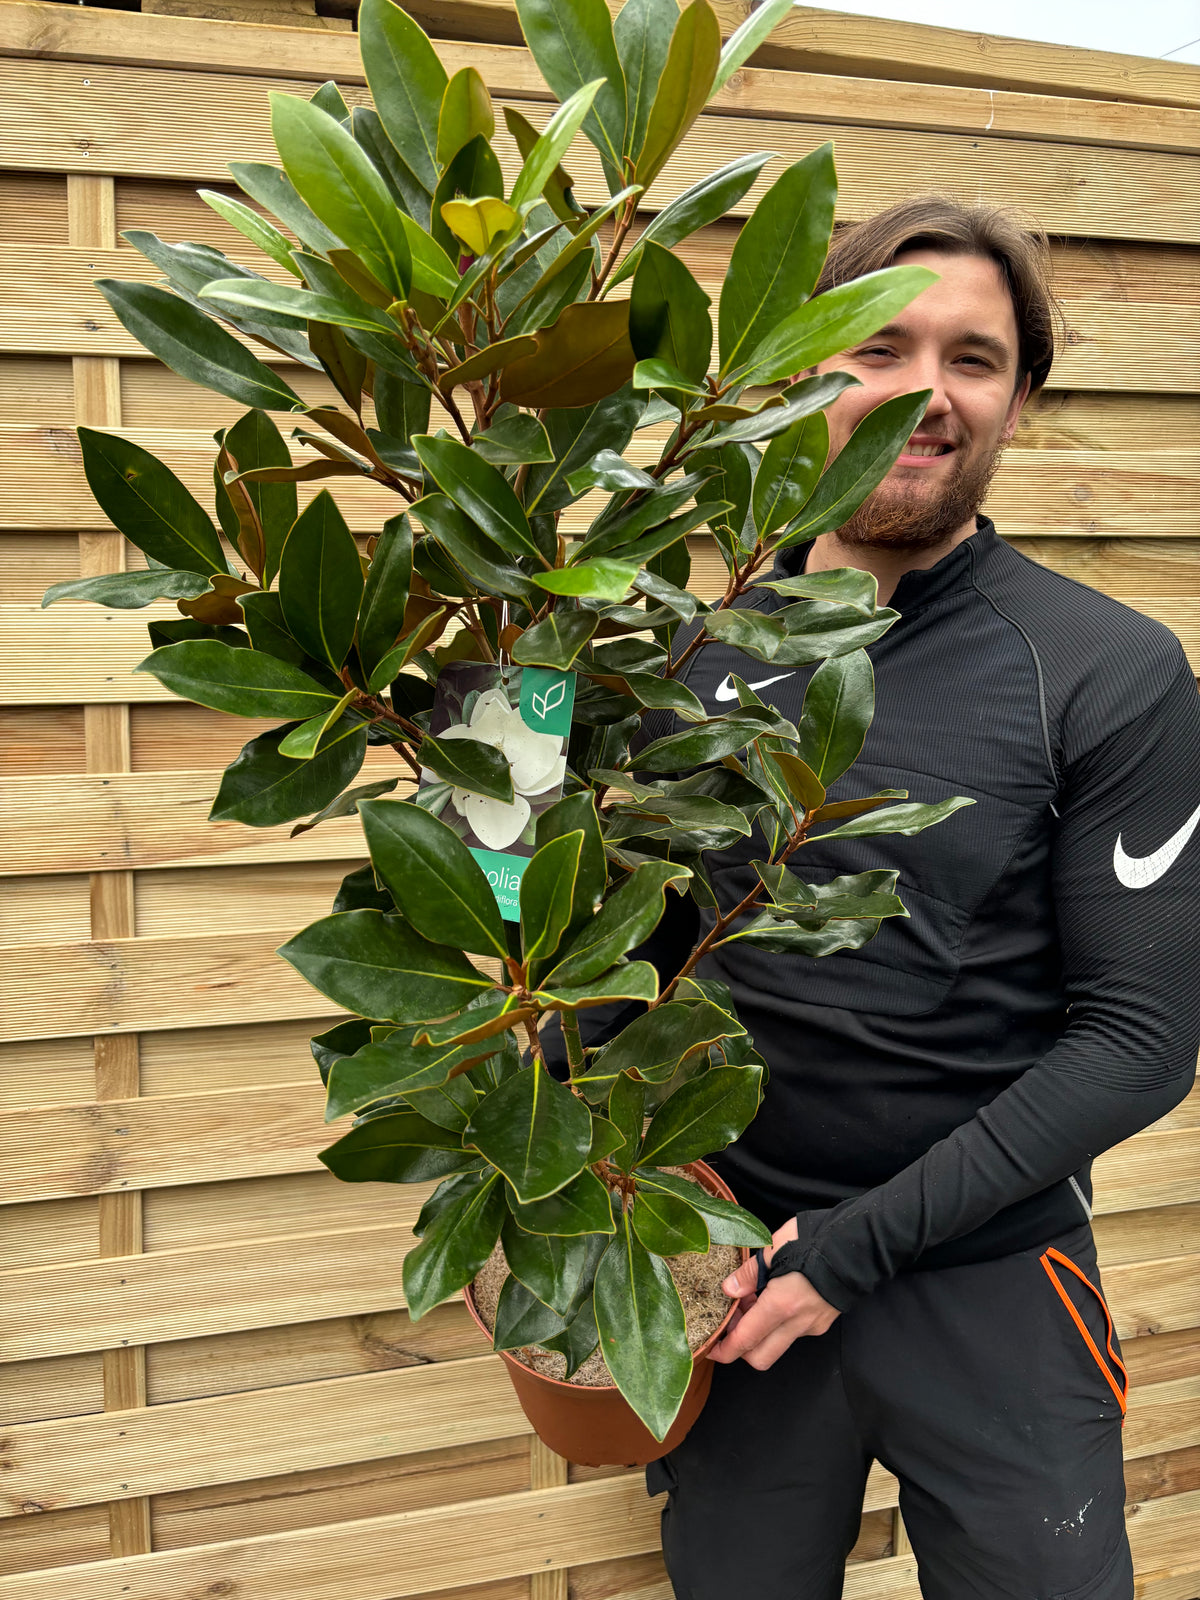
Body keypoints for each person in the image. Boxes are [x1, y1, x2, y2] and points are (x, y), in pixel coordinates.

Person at [615, 197, 1200, 1599]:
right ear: (805, 367)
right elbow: (601, 965)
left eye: (974, 358)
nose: (923, 392)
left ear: (1019, 401)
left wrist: (857, 1249)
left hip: (993, 1292)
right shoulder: (681, 660)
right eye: (878, 347)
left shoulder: (1106, 671)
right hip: (734, 1292)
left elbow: (1139, 1042)